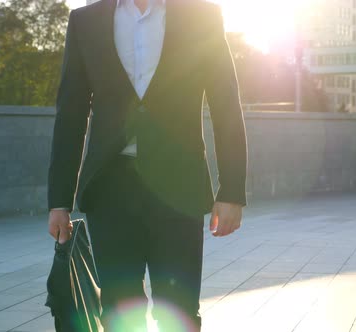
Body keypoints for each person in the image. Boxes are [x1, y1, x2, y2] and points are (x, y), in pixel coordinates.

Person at [46, 0, 248, 331]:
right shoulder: (85, 20)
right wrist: (59, 202)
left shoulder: (201, 15)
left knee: (179, 307)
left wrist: (232, 191)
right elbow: (70, 114)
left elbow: (225, 102)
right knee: (118, 307)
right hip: (109, 189)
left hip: (179, 188)